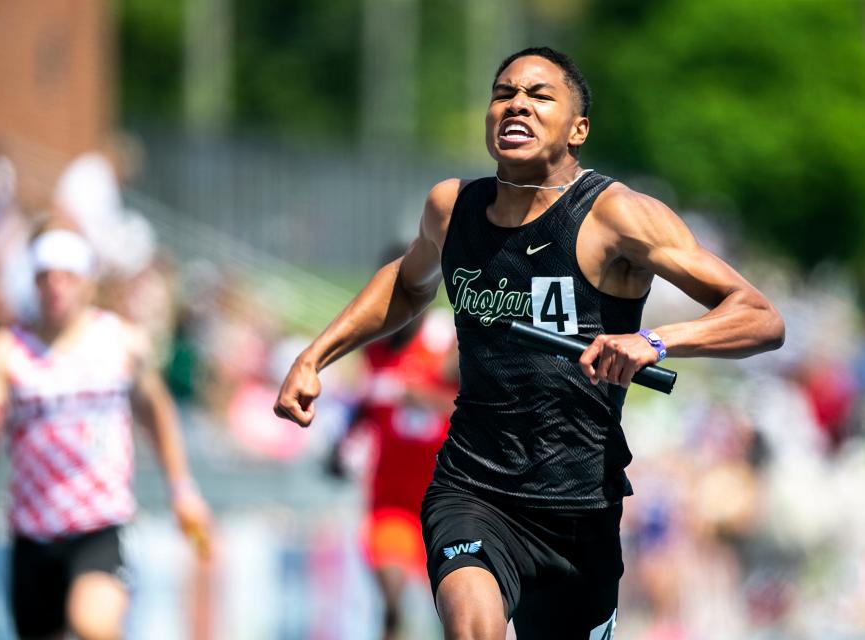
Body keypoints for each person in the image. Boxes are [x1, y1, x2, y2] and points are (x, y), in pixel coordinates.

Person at [275, 47, 785, 639]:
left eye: (539, 95)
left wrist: (654, 341)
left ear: (578, 129)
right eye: (503, 93)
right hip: (472, 487)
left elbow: (759, 316)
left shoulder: (616, 216)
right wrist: (315, 355)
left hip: (580, 507)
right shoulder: (451, 209)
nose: (516, 104)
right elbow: (408, 284)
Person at [0, 224, 212, 640]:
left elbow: (157, 411)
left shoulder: (120, 342)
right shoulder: (6, 352)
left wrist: (182, 489)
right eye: (45, 278)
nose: (56, 288)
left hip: (99, 523)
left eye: (67, 277)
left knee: (93, 624)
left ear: (87, 283)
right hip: (33, 530)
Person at [335, 295, 457, 640]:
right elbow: (366, 404)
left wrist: (422, 398)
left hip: (446, 503)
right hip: (391, 504)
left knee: (454, 610)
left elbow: (474, 407)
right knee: (391, 601)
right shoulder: (374, 353)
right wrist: (342, 443)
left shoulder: (445, 343)